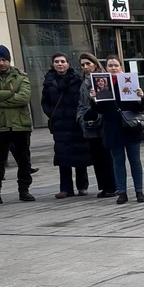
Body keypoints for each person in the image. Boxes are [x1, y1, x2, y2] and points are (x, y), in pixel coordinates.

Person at [0, 45, 34, 207]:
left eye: (4, 60)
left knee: (24, 160)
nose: (1, 63)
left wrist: (0, 100)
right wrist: (11, 94)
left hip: (20, 125)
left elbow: (24, 98)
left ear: (9, 60)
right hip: (0, 125)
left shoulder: (21, 77)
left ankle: (24, 190)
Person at [88, 54, 144, 204]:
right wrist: (94, 99)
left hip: (131, 127)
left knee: (135, 161)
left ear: (121, 67)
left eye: (116, 65)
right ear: (106, 68)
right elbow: (99, 111)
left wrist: (140, 97)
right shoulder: (102, 84)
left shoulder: (130, 81)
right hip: (112, 128)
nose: (113, 68)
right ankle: (122, 192)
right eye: (110, 65)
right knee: (118, 162)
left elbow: (140, 108)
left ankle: (139, 191)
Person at [41, 52, 92, 199]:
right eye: (56, 61)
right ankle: (65, 188)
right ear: (53, 64)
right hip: (59, 123)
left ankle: (82, 186)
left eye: (62, 61)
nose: (60, 64)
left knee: (80, 154)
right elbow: (45, 101)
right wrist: (52, 114)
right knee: (63, 156)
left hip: (75, 122)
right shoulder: (49, 81)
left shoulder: (77, 79)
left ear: (68, 64)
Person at [76, 53, 117, 198]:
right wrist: (81, 118)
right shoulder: (84, 81)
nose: (86, 67)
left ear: (95, 63)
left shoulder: (103, 78)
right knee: (96, 157)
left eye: (88, 63)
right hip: (89, 123)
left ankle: (112, 186)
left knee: (107, 157)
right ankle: (104, 187)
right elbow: (81, 103)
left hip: (103, 122)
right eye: (83, 65)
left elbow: (107, 100)